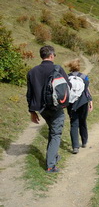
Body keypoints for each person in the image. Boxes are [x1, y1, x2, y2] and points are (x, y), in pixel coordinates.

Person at [26, 45, 69, 173]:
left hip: (42, 109)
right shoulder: (57, 68)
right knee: (56, 133)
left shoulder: (32, 72)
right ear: (51, 55)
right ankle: (50, 165)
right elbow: (68, 86)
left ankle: (53, 156)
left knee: (52, 130)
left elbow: (29, 94)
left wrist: (32, 111)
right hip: (56, 108)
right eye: (54, 55)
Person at [66, 59, 93, 154]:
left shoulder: (66, 77)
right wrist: (90, 101)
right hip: (83, 102)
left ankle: (75, 147)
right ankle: (84, 141)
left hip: (71, 103)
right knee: (83, 121)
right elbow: (86, 90)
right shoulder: (84, 77)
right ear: (79, 67)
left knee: (74, 123)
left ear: (70, 67)